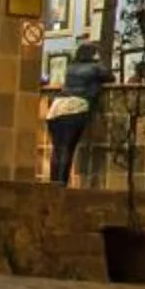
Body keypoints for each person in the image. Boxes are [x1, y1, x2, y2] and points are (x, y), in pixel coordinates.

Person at [45, 39, 106, 185]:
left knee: (57, 149)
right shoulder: (95, 67)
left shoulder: (70, 67)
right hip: (75, 107)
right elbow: (109, 76)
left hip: (56, 108)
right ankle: (61, 184)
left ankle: (53, 183)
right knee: (67, 147)